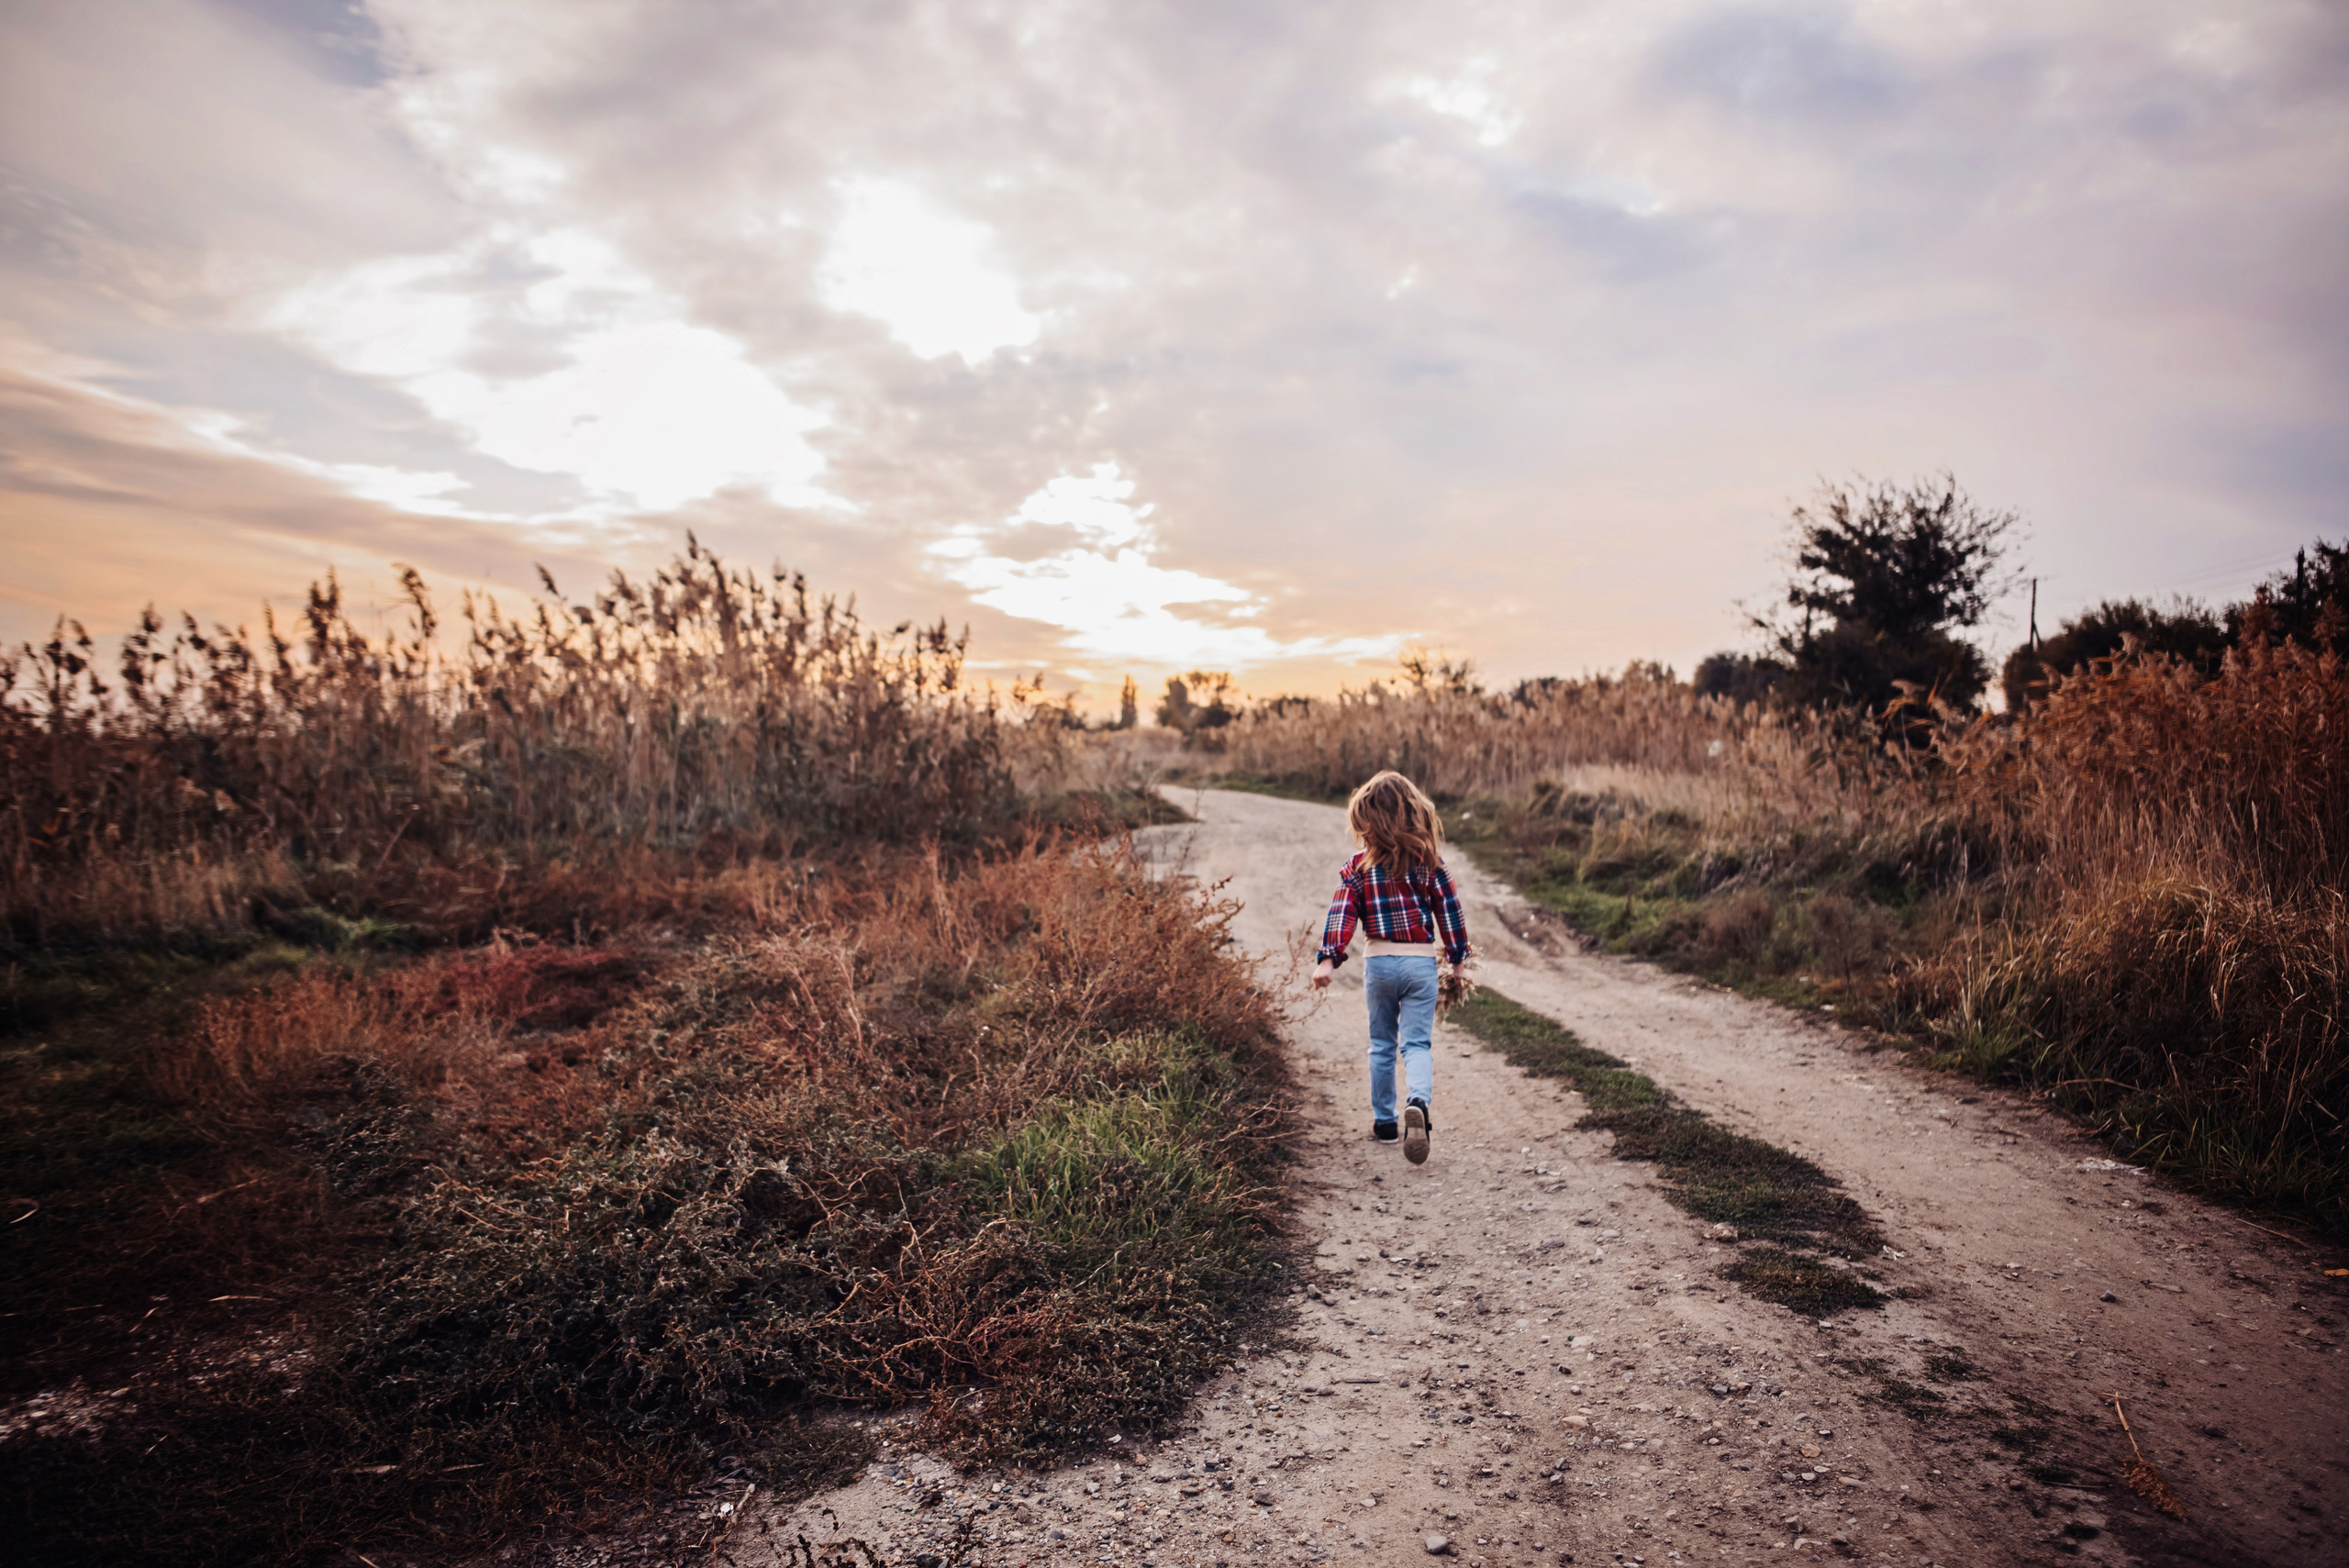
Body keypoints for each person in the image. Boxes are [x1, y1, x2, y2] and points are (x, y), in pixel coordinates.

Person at [1309, 770, 1472, 1164]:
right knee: (1416, 1044)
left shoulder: (1357, 868)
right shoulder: (1431, 863)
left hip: (1380, 964)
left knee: (1381, 1044)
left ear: (1367, 821)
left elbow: (1341, 914)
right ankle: (1418, 1101)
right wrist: (1458, 960)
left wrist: (1328, 959)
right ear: (1414, 814)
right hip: (1419, 965)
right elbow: (1450, 911)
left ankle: (1385, 1122)